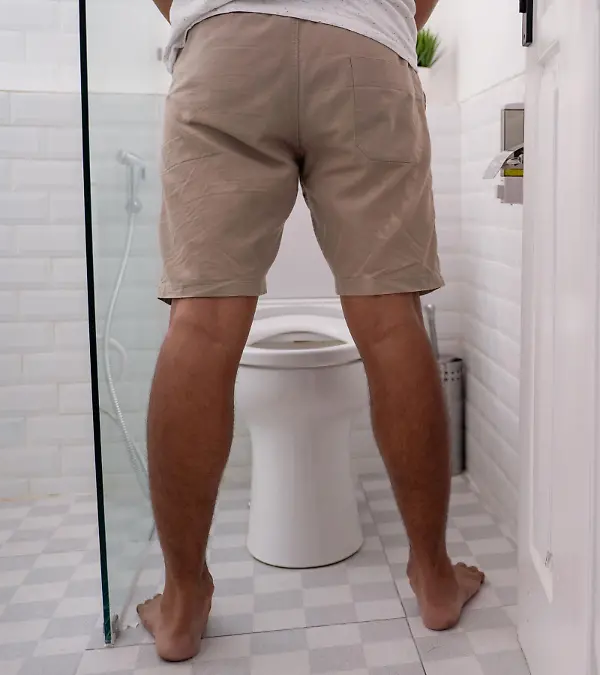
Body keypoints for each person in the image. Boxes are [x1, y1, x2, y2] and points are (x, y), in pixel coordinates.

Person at [141, 0, 482, 662]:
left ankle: (182, 602)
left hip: (225, 44)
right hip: (364, 44)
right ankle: (435, 578)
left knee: (201, 324)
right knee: (389, 318)